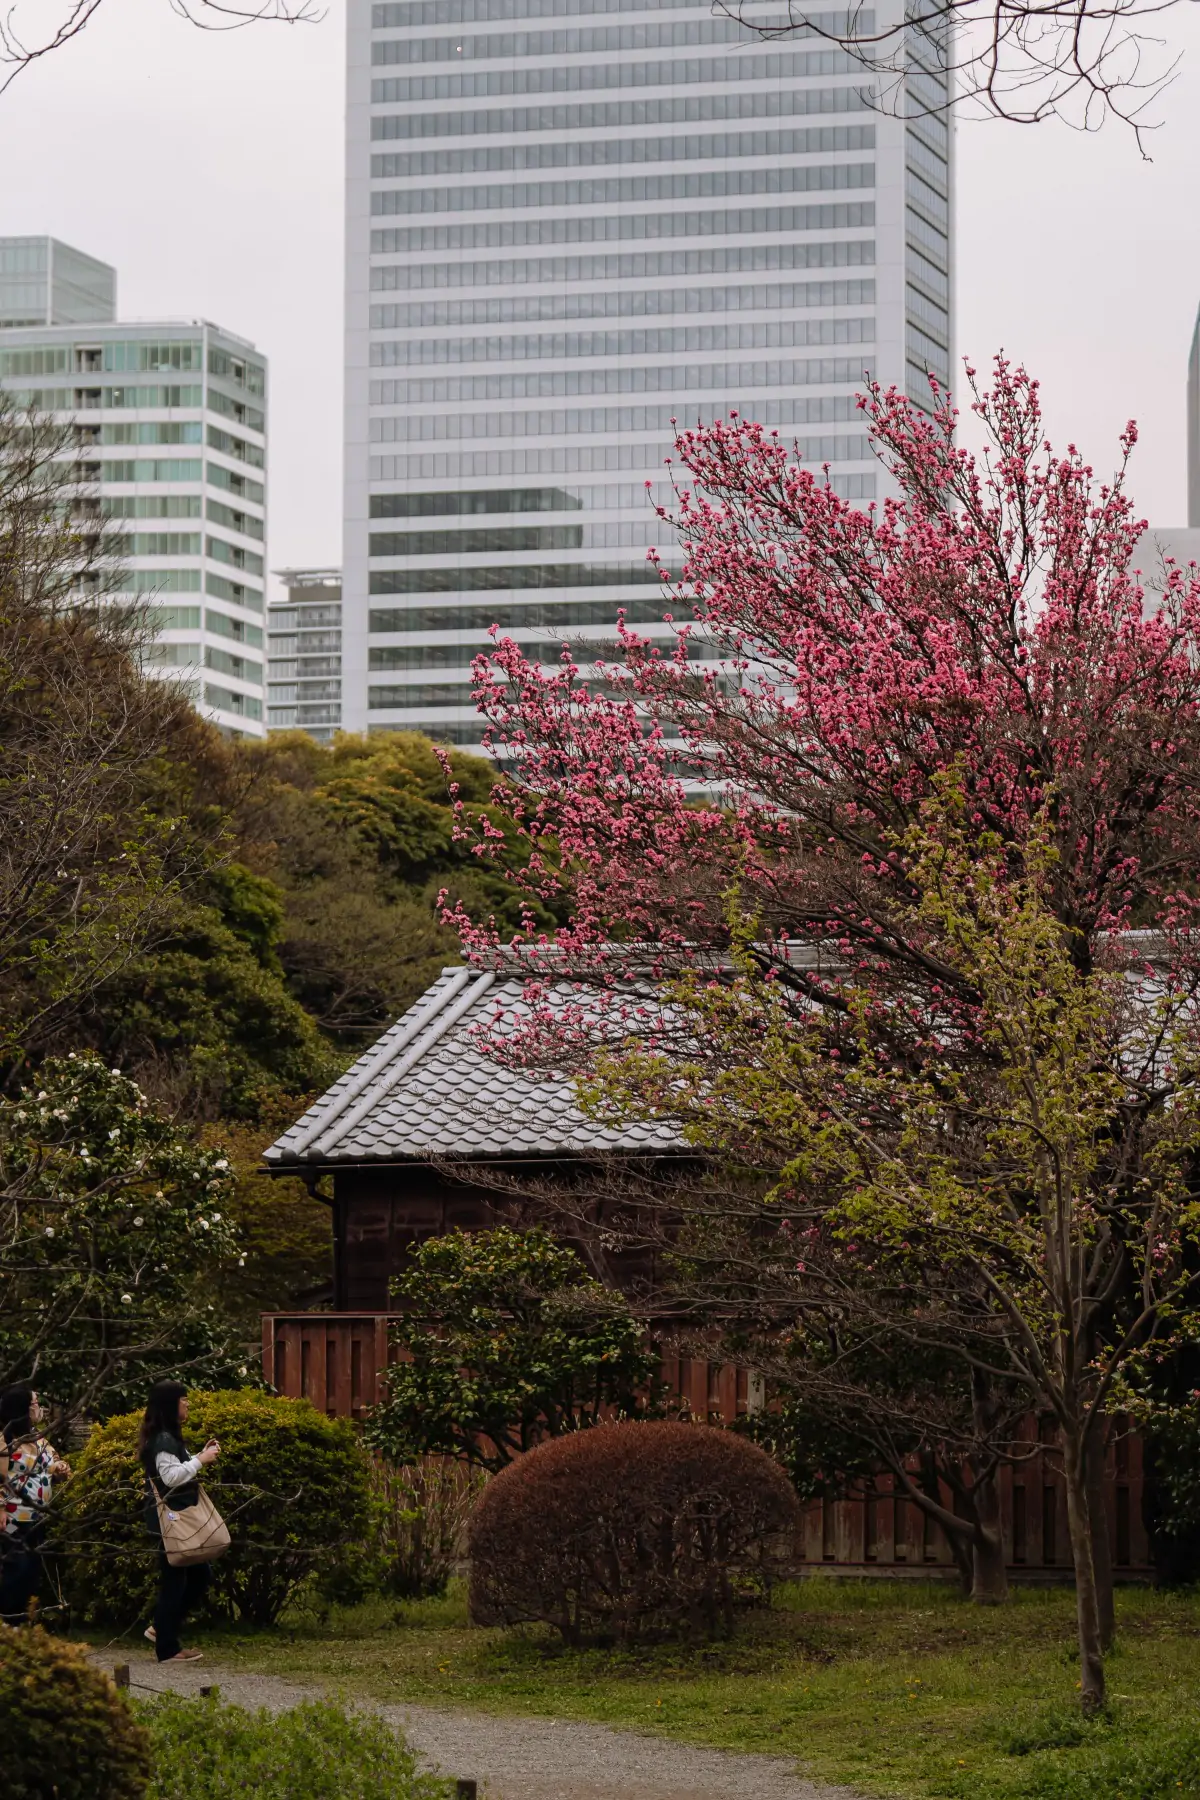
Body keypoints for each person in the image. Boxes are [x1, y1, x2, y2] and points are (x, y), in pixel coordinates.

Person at [138, 1380, 220, 1664]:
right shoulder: (162, 1439)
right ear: (170, 1404)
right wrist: (201, 1460)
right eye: (183, 1399)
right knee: (176, 1580)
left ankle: (161, 1629)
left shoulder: (167, 1437)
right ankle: (167, 1648)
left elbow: (174, 1467)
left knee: (198, 1575)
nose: (187, 1404)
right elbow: (170, 1478)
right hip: (169, 1520)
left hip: (176, 1517)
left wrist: (198, 1455)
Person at [0, 1385, 71, 1625]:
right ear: (21, 1409)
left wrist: (61, 1468)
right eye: (34, 1403)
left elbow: (53, 1463)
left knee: (31, 1570)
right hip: (10, 1518)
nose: (38, 1408)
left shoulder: (38, 1437)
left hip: (36, 1516)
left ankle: (19, 1625)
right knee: (16, 1567)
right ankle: (6, 1623)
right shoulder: (4, 1439)